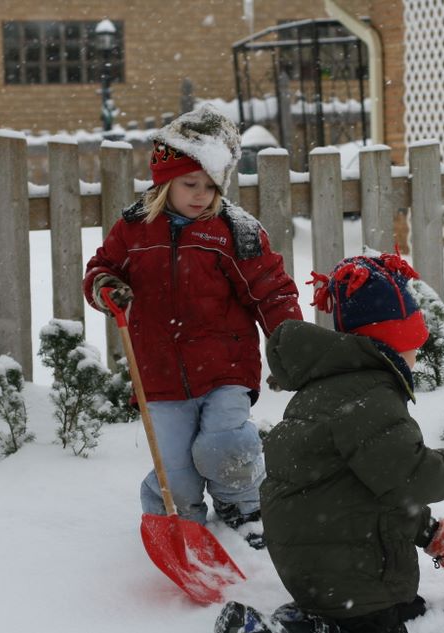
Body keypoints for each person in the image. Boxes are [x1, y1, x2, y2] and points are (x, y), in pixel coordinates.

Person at [215, 254, 444, 632]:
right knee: (377, 624)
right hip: (348, 569)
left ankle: (311, 618)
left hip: (320, 561)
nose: (418, 355)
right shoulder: (371, 396)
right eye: (414, 344)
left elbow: (376, 495)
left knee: (403, 609)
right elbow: (411, 478)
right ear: (395, 343)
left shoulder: (332, 389)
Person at [83, 103, 302, 549]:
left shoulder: (234, 231)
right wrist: (107, 287)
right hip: (159, 373)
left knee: (223, 445)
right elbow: (101, 270)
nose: (201, 195)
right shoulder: (134, 229)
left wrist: (289, 349)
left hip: (226, 367)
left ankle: (243, 505)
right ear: (165, 181)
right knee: (175, 469)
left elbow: (271, 291)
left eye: (210, 185)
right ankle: (179, 519)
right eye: (190, 183)